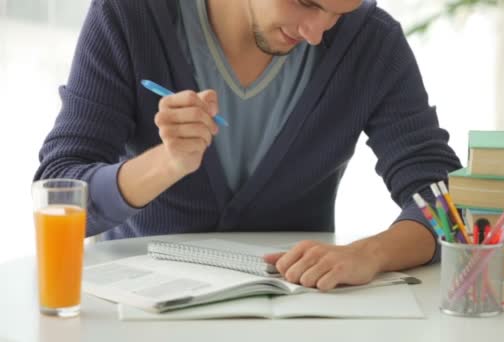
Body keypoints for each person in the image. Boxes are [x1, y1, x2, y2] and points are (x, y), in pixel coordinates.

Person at [35, 0, 462, 291]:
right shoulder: (130, 15)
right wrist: (166, 164)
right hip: (141, 307)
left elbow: (444, 200)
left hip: (298, 309)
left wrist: (371, 253)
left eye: (339, 11)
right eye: (307, 2)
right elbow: (57, 191)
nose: (316, 33)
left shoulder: (370, 40)